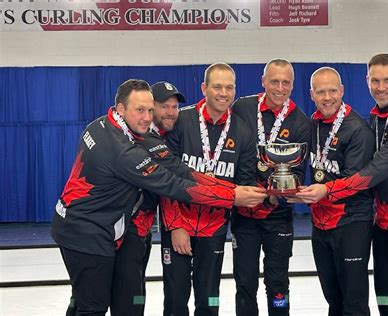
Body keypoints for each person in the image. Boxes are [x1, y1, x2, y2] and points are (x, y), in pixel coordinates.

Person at [50, 79, 267, 316]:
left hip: (97, 226)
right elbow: (174, 185)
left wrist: (229, 189)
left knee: (94, 300)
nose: (147, 117)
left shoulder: (106, 125)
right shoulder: (123, 151)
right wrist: (232, 197)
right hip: (85, 232)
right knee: (92, 307)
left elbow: (181, 170)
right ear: (121, 109)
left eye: (149, 110)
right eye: (140, 110)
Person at [292, 54, 388, 316]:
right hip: (383, 220)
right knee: (385, 297)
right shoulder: (378, 118)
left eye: (387, 80)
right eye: (375, 80)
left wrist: (326, 190)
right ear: (367, 82)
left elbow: (371, 174)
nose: (381, 87)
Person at [162, 62, 257, 315]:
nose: (223, 93)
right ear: (204, 88)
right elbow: (166, 180)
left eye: (229, 87)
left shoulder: (243, 131)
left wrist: (269, 194)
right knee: (175, 300)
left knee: (209, 300)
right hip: (179, 226)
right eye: (217, 86)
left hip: (214, 228)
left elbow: (244, 183)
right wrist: (175, 226)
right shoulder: (181, 121)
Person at [231, 58, 311, 315]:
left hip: (278, 215)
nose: (279, 87)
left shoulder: (300, 121)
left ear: (292, 85)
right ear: (263, 81)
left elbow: (297, 171)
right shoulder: (242, 107)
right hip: (244, 213)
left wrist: (280, 195)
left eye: (285, 82)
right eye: (274, 81)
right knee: (245, 283)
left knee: (278, 284)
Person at [110, 81, 185, 316]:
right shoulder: (135, 139)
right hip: (123, 230)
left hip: (143, 230)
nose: (170, 112)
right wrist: (231, 195)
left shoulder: (165, 136)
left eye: (174, 106)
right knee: (112, 297)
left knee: (136, 294)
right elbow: (175, 182)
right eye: (163, 106)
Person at [305, 67, 375, 315]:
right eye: (321, 91)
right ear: (312, 94)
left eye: (332, 90)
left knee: (353, 300)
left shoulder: (357, 129)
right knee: (333, 298)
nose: (327, 97)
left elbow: (355, 181)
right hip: (320, 223)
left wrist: (323, 191)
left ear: (342, 91)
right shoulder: (311, 124)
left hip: (351, 221)